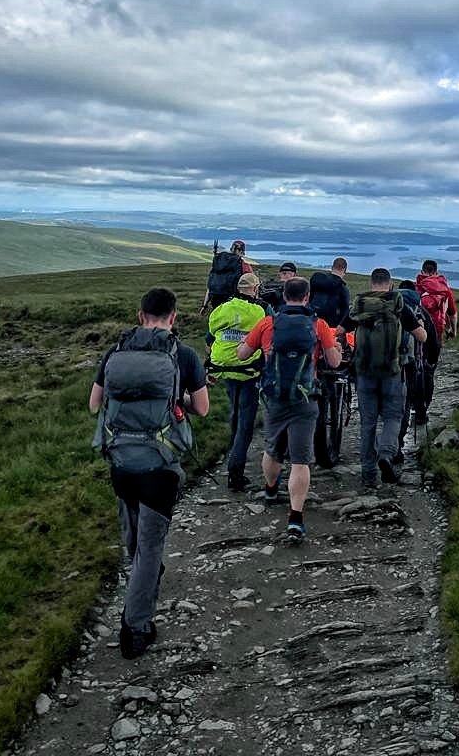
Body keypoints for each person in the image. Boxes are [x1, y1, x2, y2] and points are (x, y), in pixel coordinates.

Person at [89, 288, 209, 659]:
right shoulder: (184, 355)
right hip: (160, 465)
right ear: (173, 317)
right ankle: (135, 630)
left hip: (120, 460)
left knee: (134, 536)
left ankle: (141, 583)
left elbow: (95, 405)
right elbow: (202, 409)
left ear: (140, 316)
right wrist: (180, 400)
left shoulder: (116, 353)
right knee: (150, 548)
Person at [236, 277, 341, 541]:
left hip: (274, 397)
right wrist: (335, 348)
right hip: (305, 399)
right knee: (300, 459)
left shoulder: (268, 323)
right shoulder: (319, 325)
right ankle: (295, 517)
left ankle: (271, 489)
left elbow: (242, 354)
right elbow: (334, 361)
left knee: (272, 447)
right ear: (307, 297)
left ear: (284, 295)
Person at [347, 268, 426, 488]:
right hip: (392, 372)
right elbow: (423, 336)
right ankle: (386, 453)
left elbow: (340, 330)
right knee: (393, 416)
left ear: (371, 283)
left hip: (364, 373)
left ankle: (368, 476)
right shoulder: (398, 304)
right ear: (390, 284)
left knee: (367, 423)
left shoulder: (359, 305)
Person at [206, 272, 271, 491]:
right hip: (249, 371)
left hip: (225, 369)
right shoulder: (260, 310)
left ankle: (233, 456)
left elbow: (210, 336)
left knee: (235, 413)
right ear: (255, 288)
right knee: (246, 421)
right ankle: (235, 471)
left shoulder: (222, 308)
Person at [396, 280, 440, 458]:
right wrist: (432, 361)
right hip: (413, 363)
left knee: (397, 403)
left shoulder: (392, 308)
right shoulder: (420, 312)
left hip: (391, 363)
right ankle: (420, 413)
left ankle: (392, 445)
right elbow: (432, 341)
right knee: (409, 399)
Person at [199, 240, 254, 314]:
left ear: (231, 249)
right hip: (234, 302)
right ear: (242, 252)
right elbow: (251, 286)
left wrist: (204, 306)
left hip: (215, 301)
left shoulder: (218, 264)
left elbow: (210, 286)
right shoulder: (244, 266)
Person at [415, 259, 457, 344]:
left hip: (418, 329)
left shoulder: (415, 288)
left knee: (419, 353)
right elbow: (452, 314)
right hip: (437, 329)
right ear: (436, 272)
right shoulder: (445, 290)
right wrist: (453, 331)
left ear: (421, 271)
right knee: (434, 354)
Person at [309, 257, 350, 330]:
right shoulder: (342, 288)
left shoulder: (318, 282)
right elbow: (345, 311)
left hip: (313, 321)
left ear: (332, 267)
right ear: (344, 270)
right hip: (331, 326)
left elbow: (309, 298)